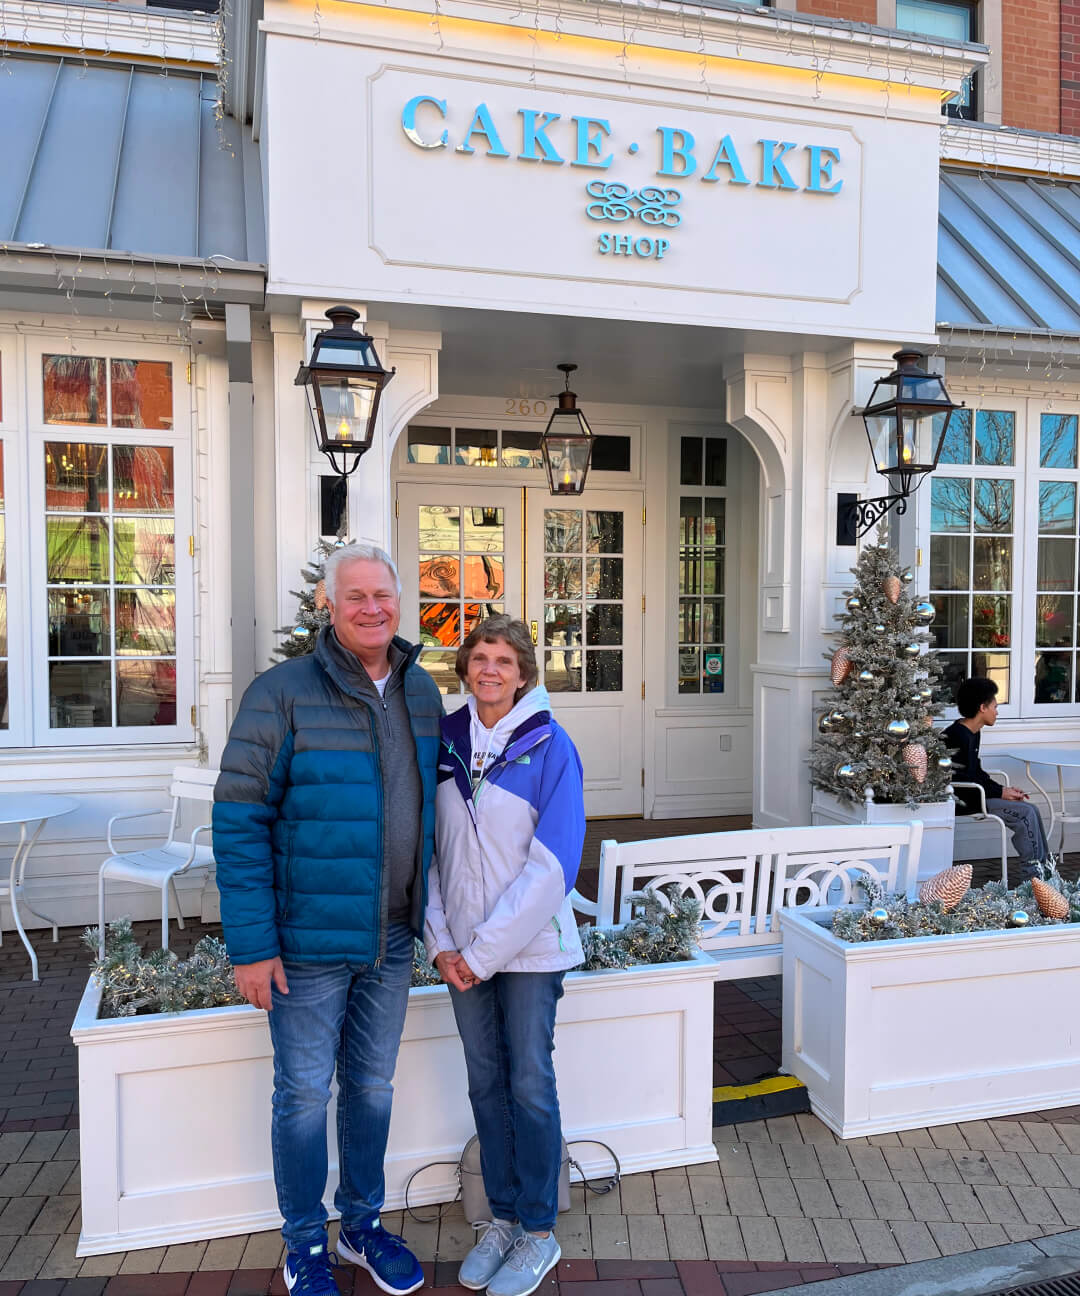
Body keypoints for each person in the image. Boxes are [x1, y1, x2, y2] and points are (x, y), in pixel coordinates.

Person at [213, 543, 442, 1296]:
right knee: (304, 1094)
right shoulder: (279, 693)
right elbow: (240, 820)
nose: (372, 608)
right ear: (328, 605)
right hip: (307, 943)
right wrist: (251, 945)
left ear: (398, 602)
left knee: (372, 1088)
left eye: (383, 594)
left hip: (393, 933)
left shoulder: (420, 692)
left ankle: (361, 1227)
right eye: (356, 597)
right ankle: (304, 1241)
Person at [425, 615, 585, 1296]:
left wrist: (481, 953)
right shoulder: (446, 740)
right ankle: (502, 1219)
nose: (489, 670)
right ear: (464, 669)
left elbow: (553, 868)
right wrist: (441, 945)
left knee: (528, 1086)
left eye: (503, 661)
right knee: (485, 1086)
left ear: (524, 674)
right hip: (460, 955)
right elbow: (427, 853)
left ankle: (539, 1233)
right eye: (479, 658)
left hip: (527, 953)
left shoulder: (551, 746)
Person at [942, 676, 1051, 879]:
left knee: (1032, 810)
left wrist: (1004, 791)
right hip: (965, 799)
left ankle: (1046, 872)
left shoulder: (973, 732)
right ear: (982, 707)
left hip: (976, 794)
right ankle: (1033, 879)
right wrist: (1000, 792)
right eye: (995, 706)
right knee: (1025, 814)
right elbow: (962, 779)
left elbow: (978, 773)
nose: (997, 711)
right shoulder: (956, 736)